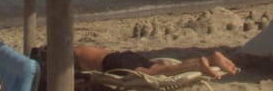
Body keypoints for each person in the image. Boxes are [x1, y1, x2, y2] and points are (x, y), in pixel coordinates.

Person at [72, 45, 240, 79]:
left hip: (114, 63)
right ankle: (212, 59)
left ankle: (199, 63)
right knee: (161, 68)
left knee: (156, 74)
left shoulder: (64, 58)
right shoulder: (78, 48)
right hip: (127, 56)